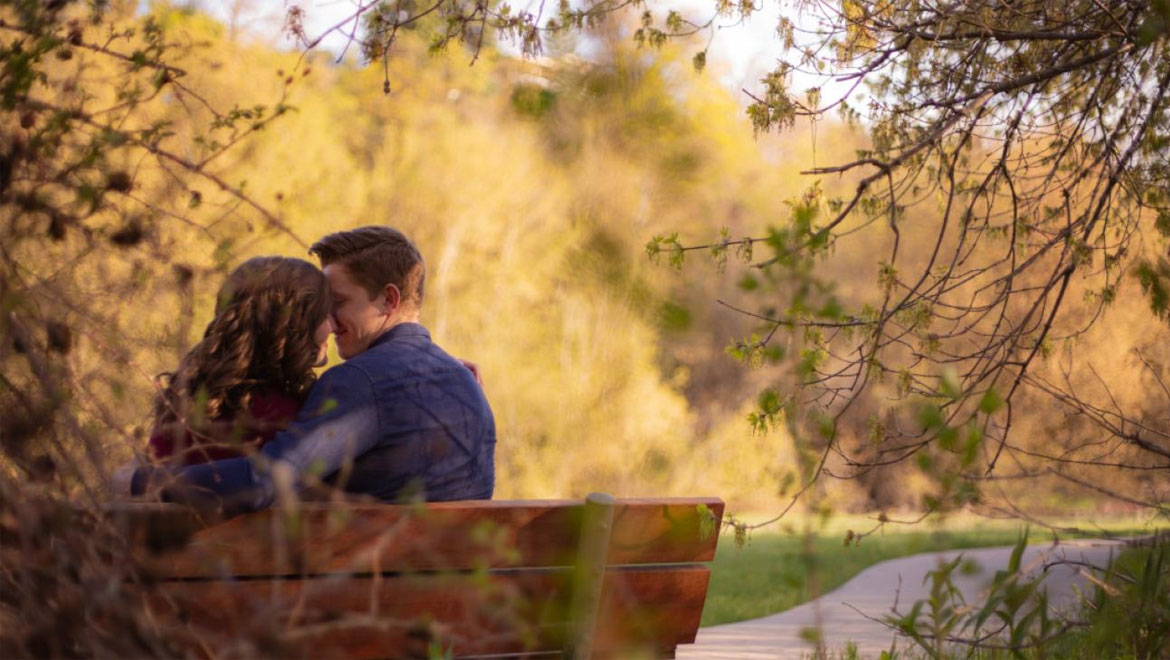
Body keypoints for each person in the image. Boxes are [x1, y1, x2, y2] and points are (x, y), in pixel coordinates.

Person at [131, 227, 496, 515]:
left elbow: (266, 481)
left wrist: (140, 482)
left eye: (337, 303)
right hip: (465, 581)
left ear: (389, 299)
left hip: (366, 583)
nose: (329, 321)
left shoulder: (359, 382)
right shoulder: (464, 383)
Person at [147, 256, 333, 466]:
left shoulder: (186, 395)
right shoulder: (282, 416)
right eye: (324, 315)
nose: (332, 327)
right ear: (291, 325)